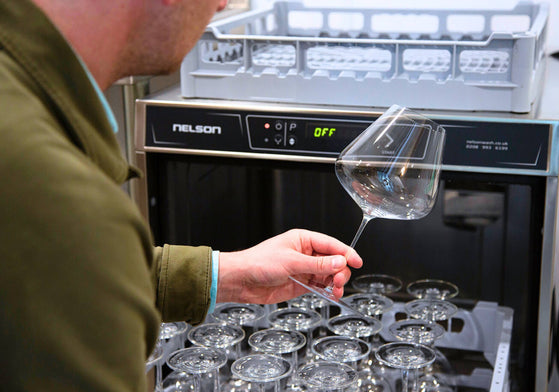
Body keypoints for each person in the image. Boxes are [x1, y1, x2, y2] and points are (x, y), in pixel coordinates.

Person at [0, 0, 363, 391]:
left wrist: (225, 275)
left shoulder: (20, 101)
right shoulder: (59, 194)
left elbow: (66, 276)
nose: (223, 4)